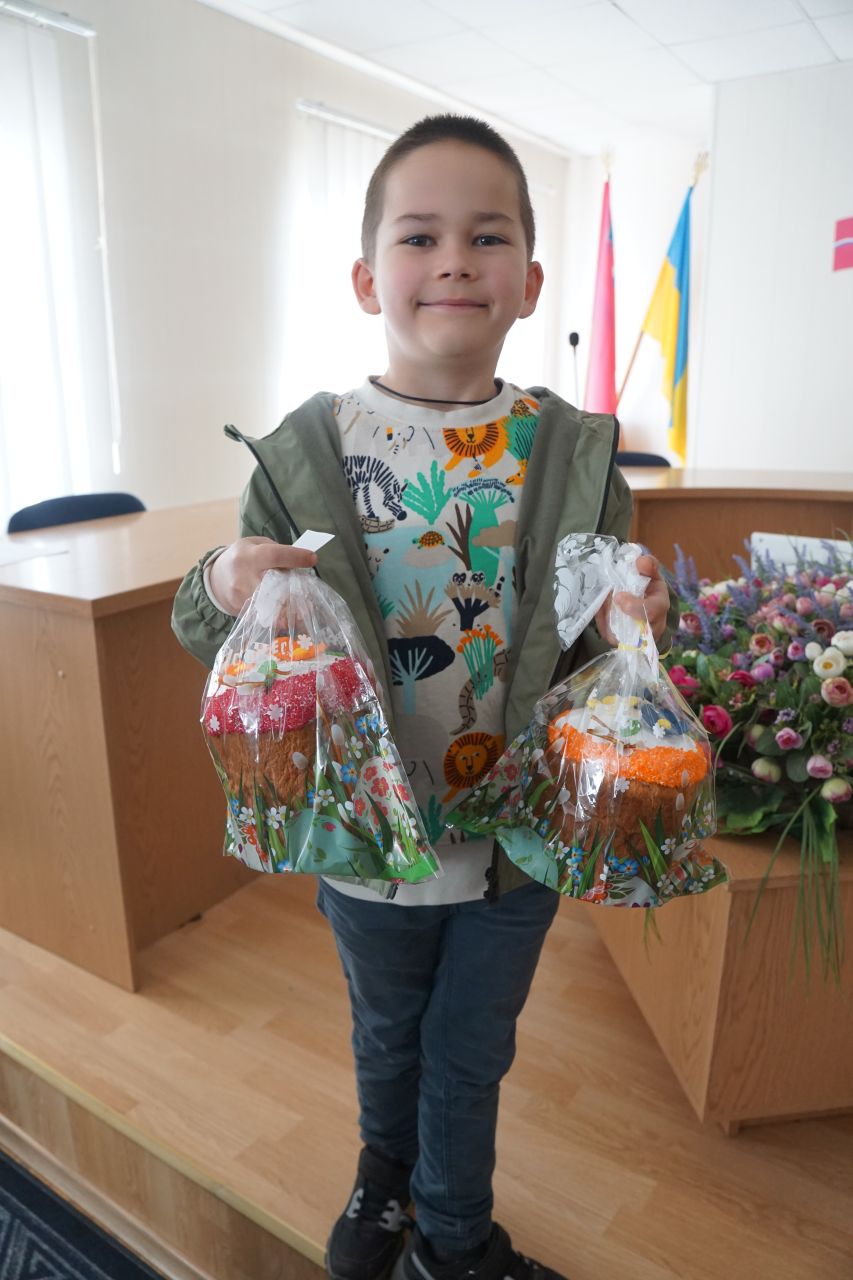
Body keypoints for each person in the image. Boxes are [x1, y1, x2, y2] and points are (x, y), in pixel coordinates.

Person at [173, 114, 677, 1280]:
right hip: (367, 844)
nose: (454, 259)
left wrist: (634, 611)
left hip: (513, 843)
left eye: (487, 236)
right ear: (367, 278)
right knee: (387, 1028)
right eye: (419, 236)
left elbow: (601, 634)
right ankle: (382, 1176)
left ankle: (453, 1238)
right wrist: (222, 580)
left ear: (529, 282)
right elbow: (212, 635)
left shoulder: (575, 452)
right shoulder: (303, 453)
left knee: (470, 1049)